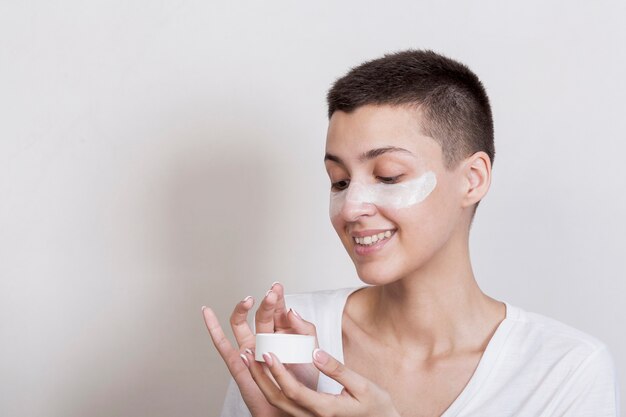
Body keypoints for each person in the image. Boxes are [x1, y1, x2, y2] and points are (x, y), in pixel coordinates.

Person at [202, 49, 620, 416]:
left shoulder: (565, 371)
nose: (351, 208)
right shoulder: (291, 339)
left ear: (472, 179)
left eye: (388, 175)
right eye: (339, 180)